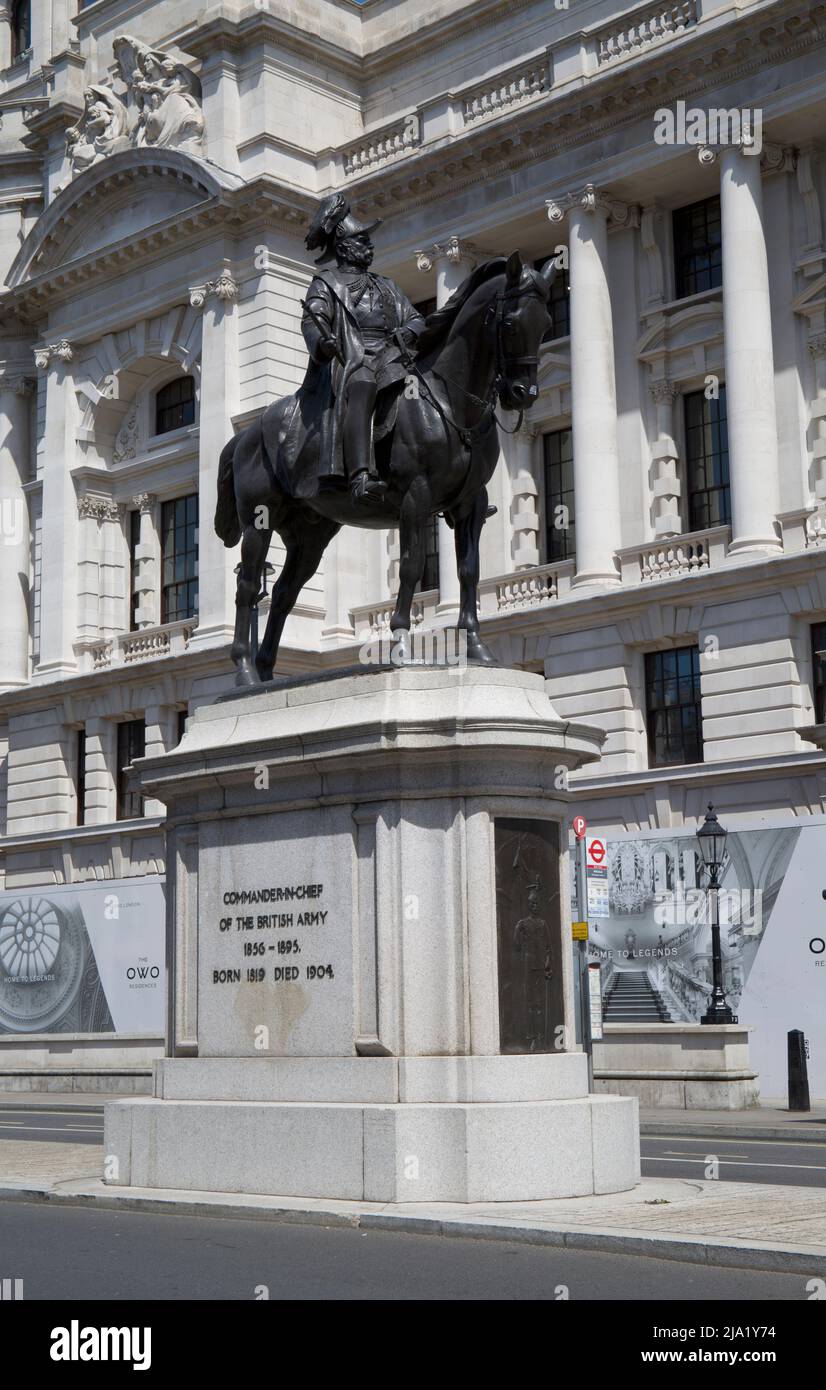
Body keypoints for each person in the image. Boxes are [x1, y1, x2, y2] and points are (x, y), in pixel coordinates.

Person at [301, 193, 426, 506]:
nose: (370, 247)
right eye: (363, 242)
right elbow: (312, 319)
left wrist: (407, 332)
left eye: (368, 242)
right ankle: (359, 476)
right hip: (352, 356)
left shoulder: (387, 285)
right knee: (363, 383)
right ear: (344, 248)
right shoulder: (326, 283)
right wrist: (323, 342)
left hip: (392, 353)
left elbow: (415, 319)